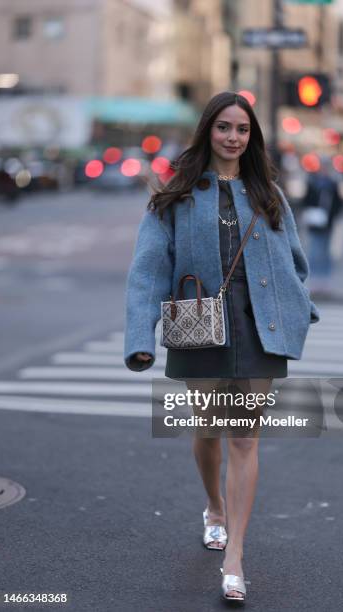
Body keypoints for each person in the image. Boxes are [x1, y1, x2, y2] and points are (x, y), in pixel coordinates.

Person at [124, 91, 320, 603]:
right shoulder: (178, 193)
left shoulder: (268, 193)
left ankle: (234, 556)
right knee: (208, 429)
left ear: (251, 137)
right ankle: (213, 506)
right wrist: (140, 337)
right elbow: (148, 270)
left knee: (245, 438)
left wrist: (300, 306)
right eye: (224, 128)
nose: (233, 137)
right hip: (199, 324)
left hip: (259, 329)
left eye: (243, 130)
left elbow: (295, 262)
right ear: (208, 131)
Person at [300, 159, 343, 294]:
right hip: (314, 222)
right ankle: (314, 278)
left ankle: (324, 279)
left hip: (328, 223)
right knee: (314, 250)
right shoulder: (312, 183)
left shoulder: (333, 184)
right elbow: (305, 201)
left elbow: (339, 204)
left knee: (325, 251)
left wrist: (331, 216)